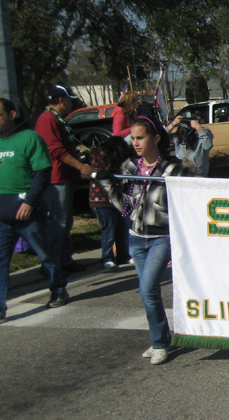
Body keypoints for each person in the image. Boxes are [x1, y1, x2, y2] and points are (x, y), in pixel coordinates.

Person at [98, 117, 192, 365]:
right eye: (133, 138)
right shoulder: (130, 167)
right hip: (136, 238)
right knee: (148, 292)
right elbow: (126, 208)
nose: (135, 142)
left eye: (141, 137)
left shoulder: (173, 169)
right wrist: (108, 183)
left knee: (148, 288)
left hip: (162, 238)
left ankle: (160, 343)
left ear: (156, 139)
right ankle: (159, 338)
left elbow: (186, 207)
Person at [0, 98, 69, 319]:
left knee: (47, 255)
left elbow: (42, 174)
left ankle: (58, 290)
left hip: (27, 213)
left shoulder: (30, 138)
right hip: (2, 216)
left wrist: (29, 202)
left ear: (11, 114)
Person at [35, 84, 92, 273]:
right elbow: (55, 150)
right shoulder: (47, 120)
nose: (70, 103)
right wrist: (80, 165)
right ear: (62, 100)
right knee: (58, 221)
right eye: (69, 100)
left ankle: (65, 259)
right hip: (55, 178)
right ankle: (51, 263)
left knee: (65, 221)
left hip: (63, 177)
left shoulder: (56, 119)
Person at [88, 136, 131, 269]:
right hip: (101, 200)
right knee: (109, 230)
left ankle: (123, 256)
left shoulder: (112, 156)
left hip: (116, 198)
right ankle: (107, 257)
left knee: (122, 228)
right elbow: (102, 174)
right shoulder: (103, 155)